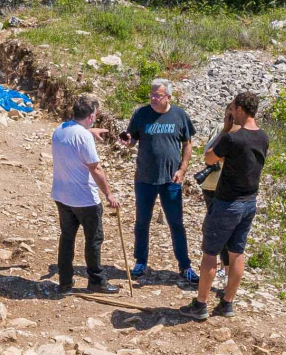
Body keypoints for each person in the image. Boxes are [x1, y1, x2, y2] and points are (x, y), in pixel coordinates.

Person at [180, 91, 268, 319]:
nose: (230, 113)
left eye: (232, 108)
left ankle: (200, 305)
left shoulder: (232, 138)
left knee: (210, 253)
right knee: (237, 253)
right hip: (249, 202)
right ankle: (227, 302)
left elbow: (209, 158)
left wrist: (227, 129)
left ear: (240, 109)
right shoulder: (262, 137)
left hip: (227, 203)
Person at [118, 78, 199, 285]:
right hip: (145, 178)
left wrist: (182, 169)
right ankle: (140, 262)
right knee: (142, 222)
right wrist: (127, 141)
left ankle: (185, 266)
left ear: (169, 97)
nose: (153, 98)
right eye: (151, 94)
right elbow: (133, 140)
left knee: (176, 224)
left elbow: (187, 144)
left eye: (158, 95)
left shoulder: (179, 115)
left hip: (171, 179)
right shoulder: (141, 113)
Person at [50, 93, 120, 295]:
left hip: (62, 195)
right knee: (94, 240)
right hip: (84, 198)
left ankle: (65, 282)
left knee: (67, 238)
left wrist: (91, 131)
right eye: (95, 115)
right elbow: (95, 169)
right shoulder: (84, 137)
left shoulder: (59, 130)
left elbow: (76, 135)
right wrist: (108, 194)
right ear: (90, 116)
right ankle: (96, 280)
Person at [199, 105, 232, 289]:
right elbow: (208, 154)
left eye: (231, 113)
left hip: (223, 188)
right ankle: (222, 268)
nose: (228, 117)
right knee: (214, 230)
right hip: (210, 186)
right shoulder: (219, 129)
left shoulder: (238, 134)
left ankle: (227, 272)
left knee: (223, 233)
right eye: (226, 113)